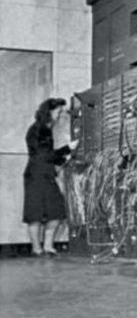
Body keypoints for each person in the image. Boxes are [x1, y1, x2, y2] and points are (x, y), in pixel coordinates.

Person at [23, 98, 79, 256]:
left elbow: (48, 156)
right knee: (35, 214)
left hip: (45, 175)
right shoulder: (38, 130)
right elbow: (44, 155)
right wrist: (67, 148)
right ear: (48, 111)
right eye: (58, 112)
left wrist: (63, 159)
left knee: (56, 211)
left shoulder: (45, 129)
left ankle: (47, 246)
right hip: (36, 176)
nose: (59, 116)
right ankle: (37, 249)